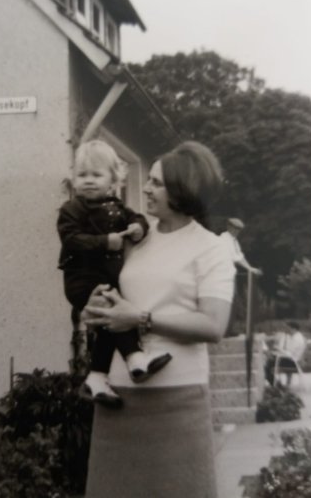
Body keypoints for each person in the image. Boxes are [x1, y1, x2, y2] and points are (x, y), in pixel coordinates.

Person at [82, 140, 235, 498]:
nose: (146, 189)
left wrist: (140, 318)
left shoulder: (211, 248)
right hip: (118, 395)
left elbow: (213, 325)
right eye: (148, 180)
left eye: (156, 183)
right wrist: (97, 307)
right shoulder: (138, 238)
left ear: (182, 191)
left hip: (177, 398)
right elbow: (116, 297)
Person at [57, 140, 172, 408]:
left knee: (110, 322)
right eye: (82, 175)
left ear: (113, 180)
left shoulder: (117, 207)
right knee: (113, 312)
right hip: (81, 280)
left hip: (106, 278)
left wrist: (138, 228)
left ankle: (97, 377)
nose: (88, 181)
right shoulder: (71, 210)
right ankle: (135, 358)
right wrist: (104, 242)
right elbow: (71, 239)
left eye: (96, 175)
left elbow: (137, 218)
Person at [265, 321, 306, 386]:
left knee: (267, 366)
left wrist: (278, 349)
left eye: (287, 328)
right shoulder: (293, 336)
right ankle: (276, 384)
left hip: (292, 362)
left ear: (293, 329)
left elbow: (289, 354)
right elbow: (287, 350)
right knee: (268, 362)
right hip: (290, 360)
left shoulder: (297, 339)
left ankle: (276, 385)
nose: (286, 330)